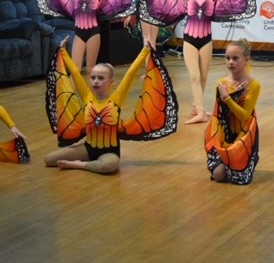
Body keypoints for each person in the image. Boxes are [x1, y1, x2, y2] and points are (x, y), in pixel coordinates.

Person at [145, 0, 254, 124]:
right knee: (194, 76)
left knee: (203, 77)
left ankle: (197, 106)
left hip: (206, 40)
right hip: (190, 40)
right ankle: (202, 112)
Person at [44, 36, 178, 174]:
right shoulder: (87, 96)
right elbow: (74, 72)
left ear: (110, 82)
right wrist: (63, 51)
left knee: (108, 166)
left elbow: (131, 73)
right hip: (88, 148)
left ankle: (79, 165)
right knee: (49, 159)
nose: (96, 81)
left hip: (109, 152)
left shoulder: (116, 99)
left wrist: (145, 50)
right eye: (93, 78)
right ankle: (87, 162)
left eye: (101, 78)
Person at [205, 39, 261, 185]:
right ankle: (231, 161)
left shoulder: (254, 85)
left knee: (239, 178)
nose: (230, 62)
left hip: (243, 133)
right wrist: (231, 96)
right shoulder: (221, 84)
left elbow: (244, 115)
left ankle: (247, 158)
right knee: (218, 175)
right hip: (225, 132)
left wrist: (228, 98)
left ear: (246, 60)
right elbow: (221, 114)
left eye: (235, 58)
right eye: (227, 58)